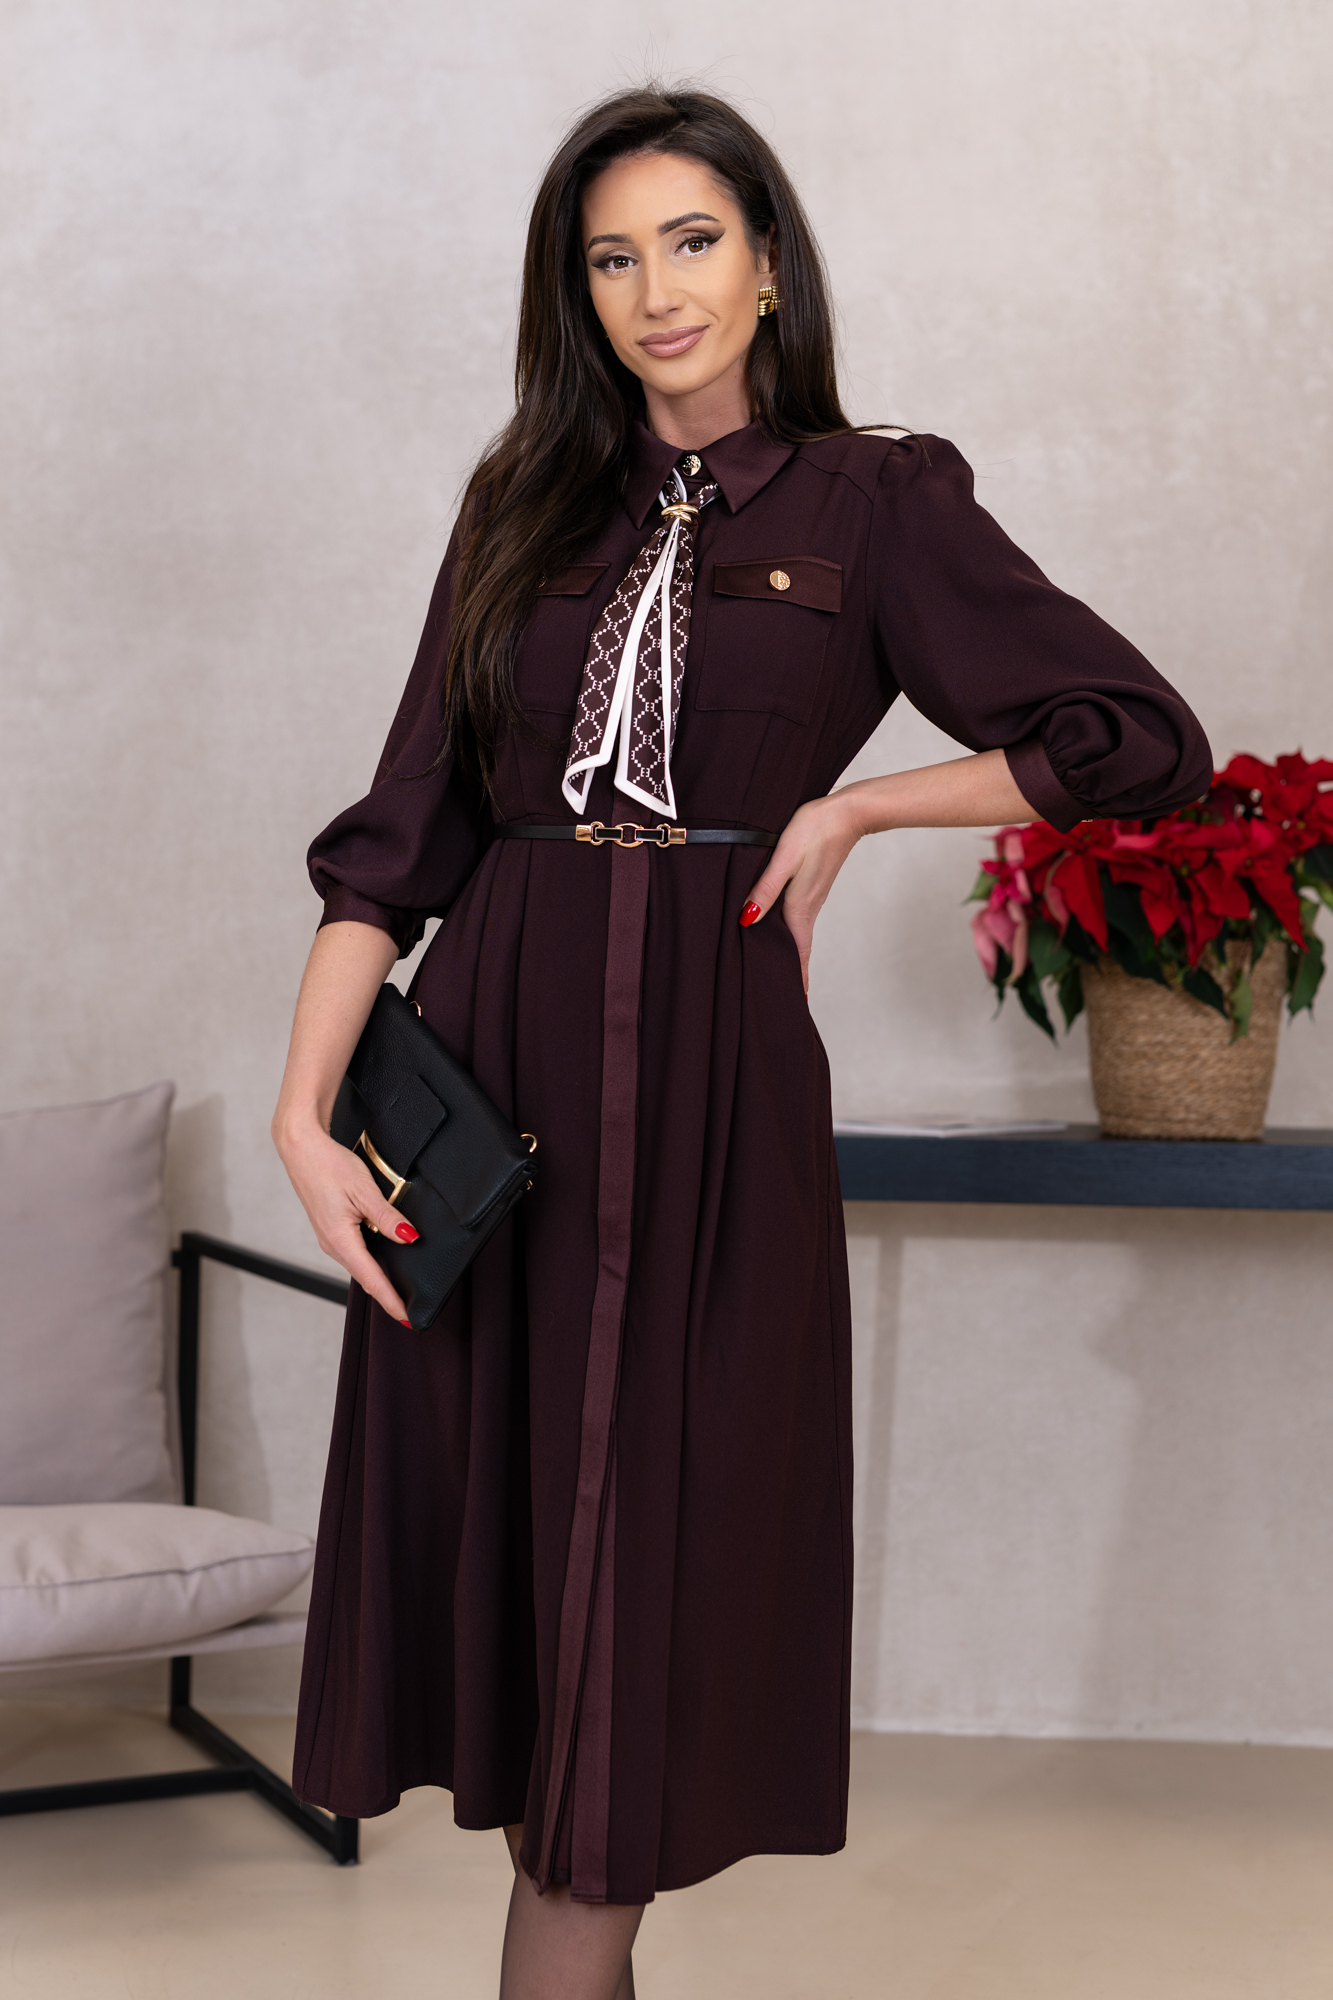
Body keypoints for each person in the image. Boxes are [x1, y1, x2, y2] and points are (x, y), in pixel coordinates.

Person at [272, 83, 1211, 2000]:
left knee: (647, 1579)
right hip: (495, 1078)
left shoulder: (879, 499)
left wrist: (859, 806)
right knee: (533, 1609)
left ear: (768, 263)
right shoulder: (520, 503)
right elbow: (400, 836)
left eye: (691, 241)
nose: (656, 291)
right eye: (610, 259)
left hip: (707, 1083)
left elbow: (1134, 738)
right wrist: (302, 1116)